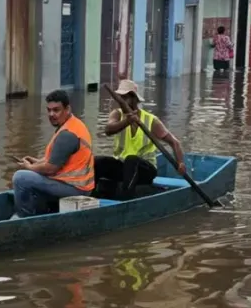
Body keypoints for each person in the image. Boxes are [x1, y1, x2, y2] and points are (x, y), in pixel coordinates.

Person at [94, 79, 186, 200]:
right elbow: (108, 130)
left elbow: (174, 142)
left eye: (125, 98)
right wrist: (127, 121)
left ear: (134, 99)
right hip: (123, 167)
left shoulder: (151, 120)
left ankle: (126, 199)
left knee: (132, 160)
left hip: (145, 170)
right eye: (120, 97)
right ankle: (91, 195)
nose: (121, 102)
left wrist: (180, 163)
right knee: (98, 161)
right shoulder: (117, 114)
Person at [11, 89, 94, 218]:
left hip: (76, 189)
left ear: (67, 109)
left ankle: (24, 218)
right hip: (75, 185)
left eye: (56, 110)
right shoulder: (71, 124)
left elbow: (50, 168)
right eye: (49, 110)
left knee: (20, 177)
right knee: (29, 175)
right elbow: (57, 159)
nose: (51, 114)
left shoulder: (67, 134)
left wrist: (29, 167)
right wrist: (37, 162)